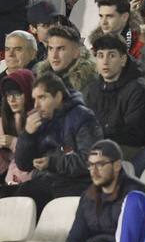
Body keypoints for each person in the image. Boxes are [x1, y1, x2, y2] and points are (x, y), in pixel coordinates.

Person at [15, 72, 104, 211]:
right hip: (49, 180)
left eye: (42, 98)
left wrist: (52, 163)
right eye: (34, 99)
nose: (36, 105)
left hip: (78, 183)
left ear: (58, 96)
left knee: (29, 194)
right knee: (20, 195)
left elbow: (89, 160)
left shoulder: (82, 117)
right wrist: (27, 135)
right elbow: (23, 164)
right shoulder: (39, 120)